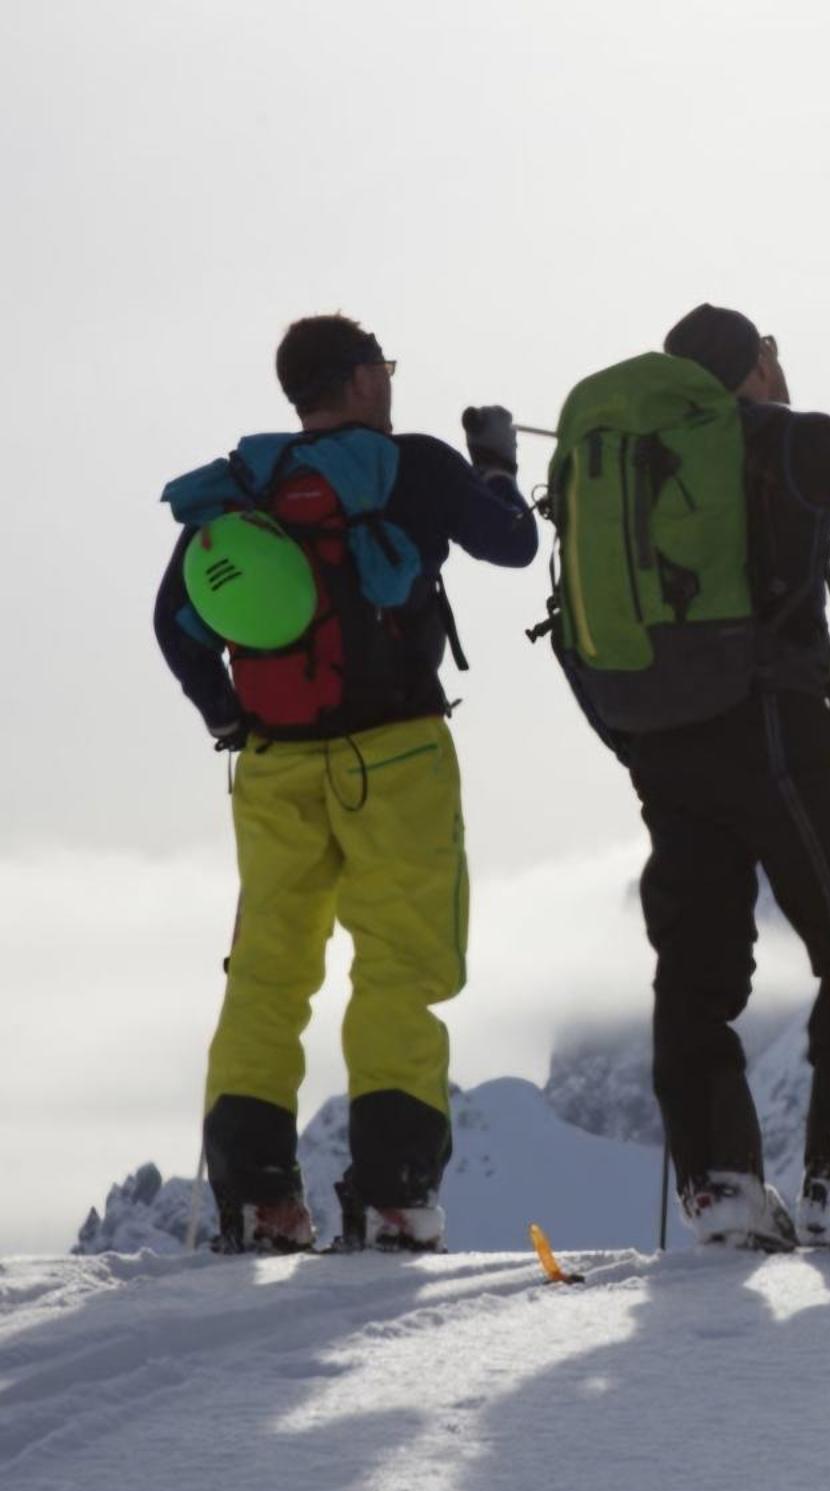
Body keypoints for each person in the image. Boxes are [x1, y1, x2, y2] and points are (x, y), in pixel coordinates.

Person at [155, 314, 538, 1253]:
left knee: (268, 972)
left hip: (277, 761)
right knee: (401, 968)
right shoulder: (413, 464)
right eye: (386, 368)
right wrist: (494, 464)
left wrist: (228, 716)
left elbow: (176, 620)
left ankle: (259, 1199)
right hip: (397, 754)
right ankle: (396, 1195)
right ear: (362, 381)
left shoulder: (247, 484)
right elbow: (513, 543)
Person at [548, 304, 830, 1250]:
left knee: (697, 966)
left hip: (664, 738)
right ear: (753, 364)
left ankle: (719, 1190)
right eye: (772, 351)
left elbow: (571, 618)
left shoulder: (621, 473)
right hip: (776, 725)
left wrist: (630, 736)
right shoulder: (799, 443)